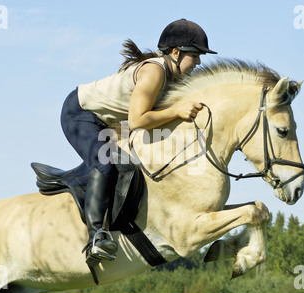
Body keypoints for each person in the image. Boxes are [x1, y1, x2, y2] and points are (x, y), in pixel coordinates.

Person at [60, 19, 217, 263]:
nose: (198, 62)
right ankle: (96, 237)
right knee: (105, 164)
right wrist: (177, 111)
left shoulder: (172, 76)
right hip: (80, 114)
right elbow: (137, 120)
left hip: (108, 121)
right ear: (176, 53)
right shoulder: (154, 71)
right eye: (195, 55)